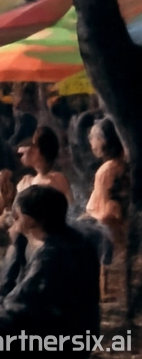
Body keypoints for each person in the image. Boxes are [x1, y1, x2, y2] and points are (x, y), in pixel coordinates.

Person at [0, 186, 99, 358]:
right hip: (80, 331)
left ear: (31, 220)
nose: (14, 220)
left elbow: (20, 304)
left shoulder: (51, 254)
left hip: (55, 337)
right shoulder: (77, 241)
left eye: (17, 216)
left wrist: (15, 247)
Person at [84, 118, 129, 301]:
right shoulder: (122, 165)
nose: (91, 143)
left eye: (94, 138)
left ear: (104, 141)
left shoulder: (106, 170)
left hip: (109, 229)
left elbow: (104, 213)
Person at [15, 126, 72, 204]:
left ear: (37, 151)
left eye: (32, 146)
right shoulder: (60, 179)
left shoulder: (47, 183)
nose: (24, 148)